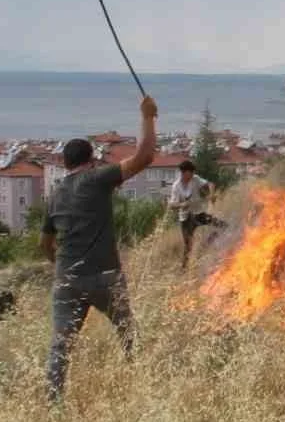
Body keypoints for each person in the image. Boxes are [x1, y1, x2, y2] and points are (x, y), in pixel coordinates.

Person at [41, 95, 158, 401]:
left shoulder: (54, 195)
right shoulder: (96, 179)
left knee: (60, 347)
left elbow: (45, 244)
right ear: (91, 160)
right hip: (105, 275)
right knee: (128, 334)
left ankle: (53, 405)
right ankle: (142, 390)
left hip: (66, 280)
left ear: (66, 164)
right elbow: (144, 157)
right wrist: (148, 116)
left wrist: (62, 267)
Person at [168, 159, 224, 269]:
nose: (192, 174)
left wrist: (212, 195)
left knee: (222, 225)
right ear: (184, 172)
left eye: (193, 172)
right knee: (188, 245)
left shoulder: (195, 179)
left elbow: (210, 184)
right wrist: (182, 205)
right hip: (186, 218)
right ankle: (184, 269)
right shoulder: (176, 186)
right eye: (190, 172)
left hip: (199, 214)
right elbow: (172, 205)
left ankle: (210, 241)